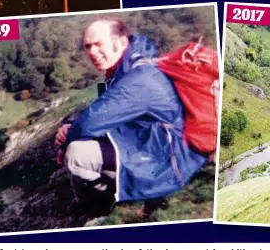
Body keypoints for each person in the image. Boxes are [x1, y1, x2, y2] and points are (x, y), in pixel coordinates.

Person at [55, 18, 207, 211]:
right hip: (151, 143)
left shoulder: (140, 78)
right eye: (88, 46)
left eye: (98, 44)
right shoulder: (126, 69)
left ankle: (105, 204)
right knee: (79, 141)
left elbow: (91, 121)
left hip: (169, 162)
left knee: (76, 154)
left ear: (123, 42)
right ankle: (106, 193)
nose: (92, 52)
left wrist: (66, 142)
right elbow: (106, 109)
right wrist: (71, 123)